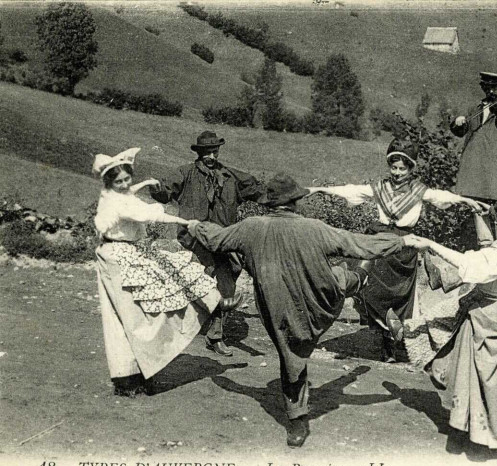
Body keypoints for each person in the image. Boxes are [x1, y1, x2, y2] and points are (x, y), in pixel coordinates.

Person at [186, 172, 407, 448]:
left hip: (274, 303)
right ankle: (359, 279)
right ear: (295, 203)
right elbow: (358, 244)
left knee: (290, 353)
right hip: (314, 299)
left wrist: (195, 226)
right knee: (343, 278)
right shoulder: (314, 227)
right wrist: (401, 241)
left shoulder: (251, 226)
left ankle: (296, 419)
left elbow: (215, 239)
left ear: (269, 204)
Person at [306, 138, 486, 362]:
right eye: (394, 167)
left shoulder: (419, 191)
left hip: (403, 246)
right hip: (379, 240)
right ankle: (387, 326)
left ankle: (390, 344)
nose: (398, 172)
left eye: (403, 168)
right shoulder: (380, 188)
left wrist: (466, 201)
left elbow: (443, 197)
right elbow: (350, 190)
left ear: (411, 169)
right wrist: (319, 189)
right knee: (363, 281)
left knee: (394, 295)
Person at [408, 182, 497, 452]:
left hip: (486, 316)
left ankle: (476, 432)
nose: (496, 227)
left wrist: (430, 243)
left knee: (476, 376)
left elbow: (468, 265)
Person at [92, 148, 240, 397]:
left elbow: (128, 192)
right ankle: (129, 378)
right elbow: (150, 215)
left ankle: (213, 302)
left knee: (149, 300)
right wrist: (187, 223)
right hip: (117, 257)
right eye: (119, 181)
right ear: (109, 183)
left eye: (128, 178)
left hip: (126, 251)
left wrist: (143, 184)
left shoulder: (114, 193)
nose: (125, 184)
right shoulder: (117, 204)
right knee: (132, 316)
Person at [150, 131, 263, 356]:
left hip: (223, 240)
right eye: (207, 152)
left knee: (226, 286)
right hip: (195, 241)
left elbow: (257, 190)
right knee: (190, 285)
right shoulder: (185, 173)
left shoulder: (229, 176)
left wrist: (282, 197)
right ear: (199, 153)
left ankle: (215, 336)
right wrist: (155, 187)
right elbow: (164, 192)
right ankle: (169, 331)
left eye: (215, 151)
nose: (211, 155)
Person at [451, 71, 497, 249]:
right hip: (476, 171)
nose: (490, 91)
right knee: (478, 210)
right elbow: (464, 132)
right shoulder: (477, 108)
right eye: (486, 87)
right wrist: (458, 123)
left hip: (496, 173)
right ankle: (485, 249)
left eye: (494, 87)